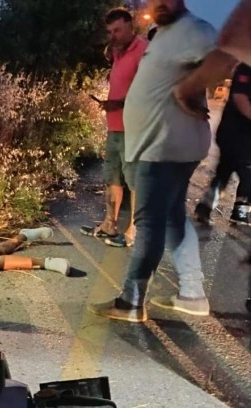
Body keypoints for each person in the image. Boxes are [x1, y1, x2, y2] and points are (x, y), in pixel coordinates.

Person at [90, 0, 215, 322]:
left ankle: (131, 302)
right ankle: (192, 294)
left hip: (161, 145)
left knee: (148, 222)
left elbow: (223, 57)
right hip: (160, 143)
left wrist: (187, 91)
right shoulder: (165, 33)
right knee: (172, 218)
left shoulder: (193, 29)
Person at [81, 8, 147, 249]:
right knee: (112, 177)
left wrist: (119, 103)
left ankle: (134, 232)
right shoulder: (119, 52)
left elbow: (149, 92)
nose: (113, 36)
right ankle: (110, 224)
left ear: (131, 25)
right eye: (110, 32)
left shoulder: (144, 51)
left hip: (135, 128)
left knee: (135, 181)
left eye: (117, 30)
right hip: (115, 126)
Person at [194, 63, 251, 226]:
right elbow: (240, 98)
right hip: (236, 132)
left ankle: (205, 207)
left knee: (225, 171)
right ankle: (240, 211)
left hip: (240, 134)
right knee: (247, 172)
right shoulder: (246, 67)